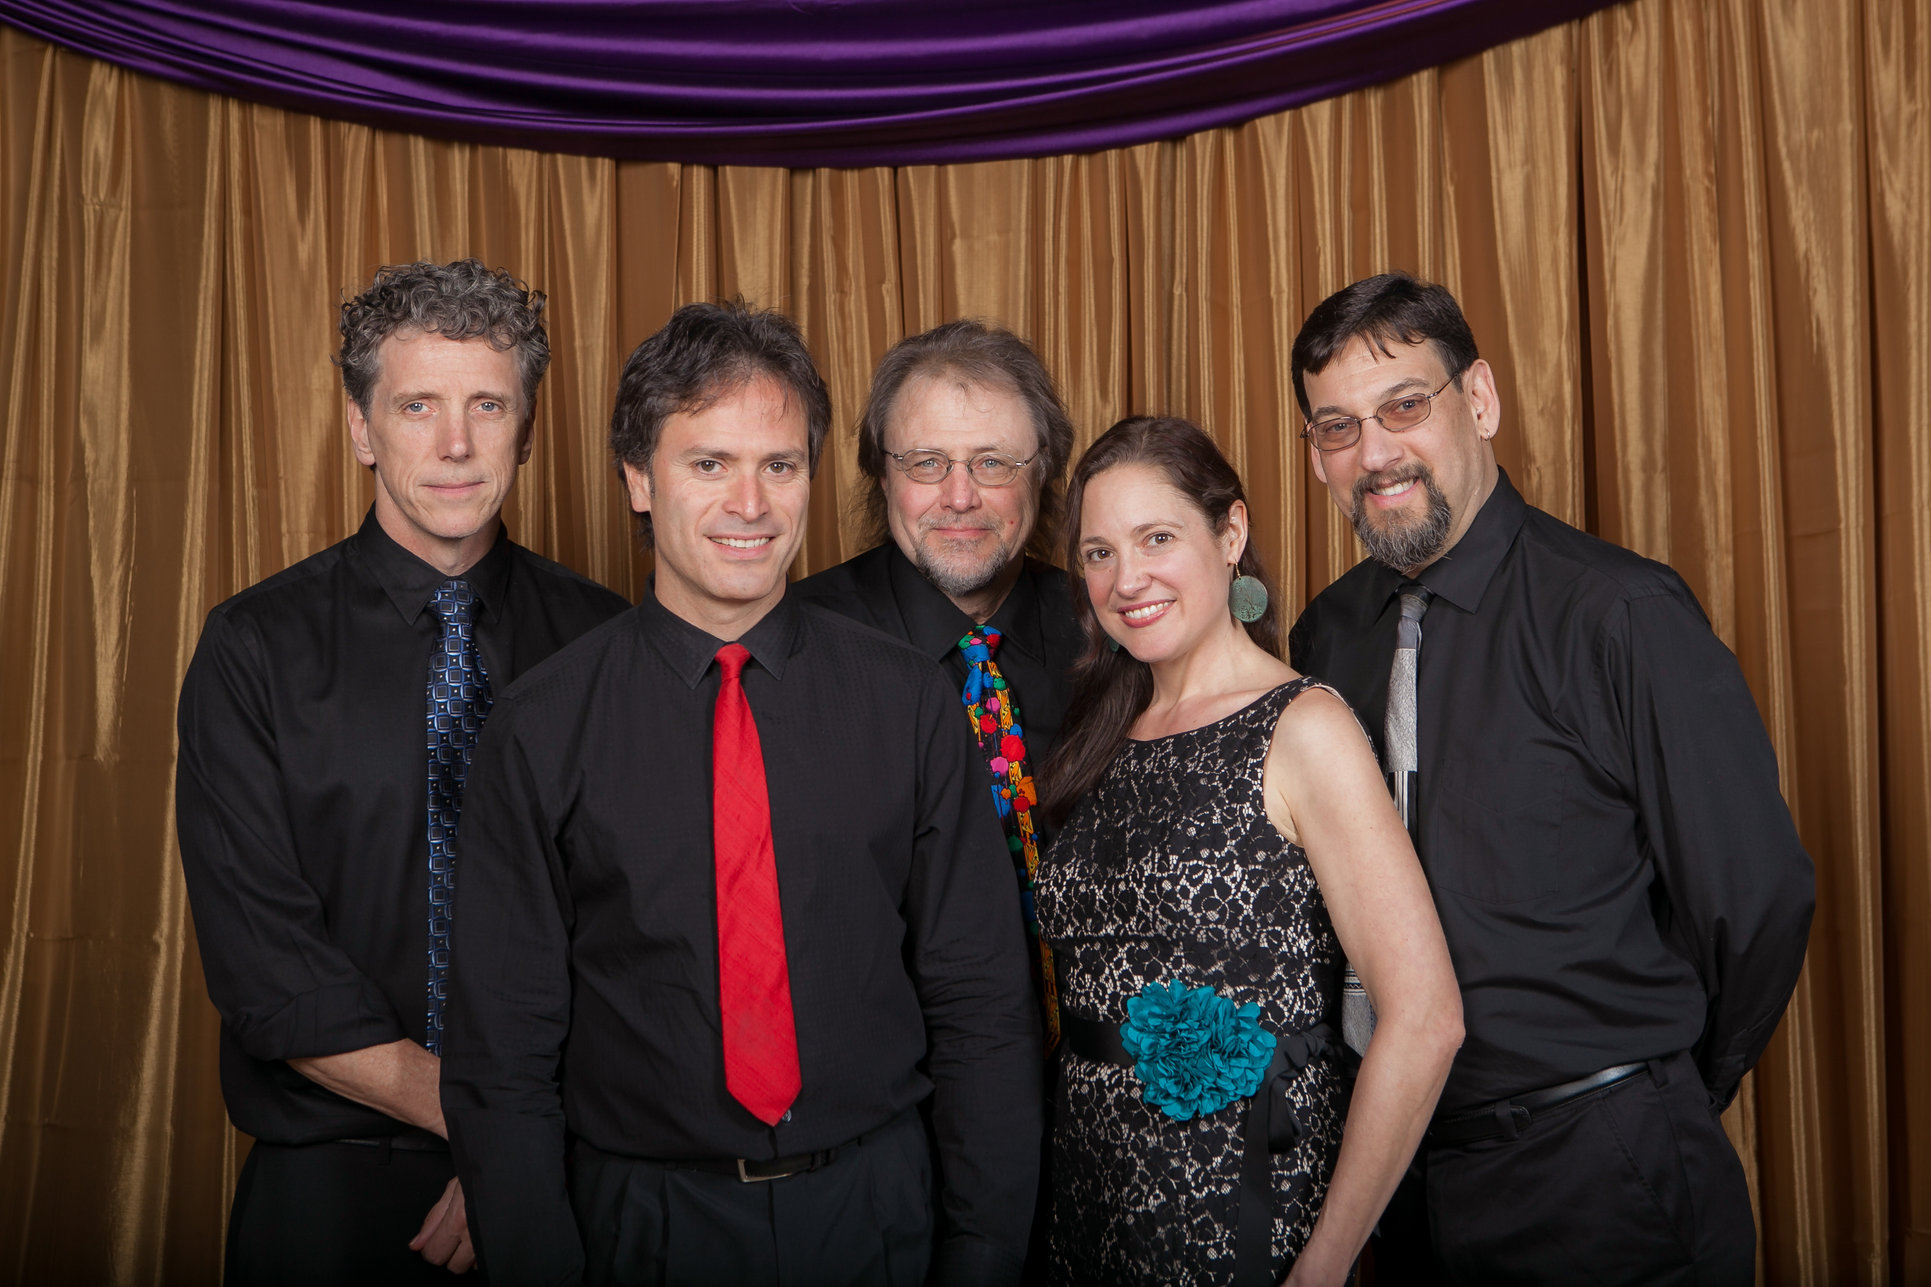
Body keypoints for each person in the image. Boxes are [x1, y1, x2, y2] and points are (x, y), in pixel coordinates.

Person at [441, 300, 1044, 1286]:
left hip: (877, 1208)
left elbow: (980, 1003)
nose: (750, 505)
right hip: (638, 1223)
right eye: (708, 464)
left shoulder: (907, 703)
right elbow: (501, 1059)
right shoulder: (542, 726)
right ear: (638, 479)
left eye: (778, 465)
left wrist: (979, 1256)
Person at [1286, 271, 1815, 1285]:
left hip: (1601, 1175)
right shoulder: (1325, 634)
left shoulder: (1620, 614)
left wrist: (1652, 1090)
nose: (1374, 453)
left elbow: (1752, 904)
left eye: (1404, 405)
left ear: (1477, 401)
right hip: (1396, 1186)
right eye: (1335, 427)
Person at [175, 259, 630, 1285]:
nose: (456, 444)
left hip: (573, 1174)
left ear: (525, 424)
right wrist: (491, 1125)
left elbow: (634, 938)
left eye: (487, 405)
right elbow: (270, 976)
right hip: (330, 1186)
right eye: (416, 405)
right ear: (360, 426)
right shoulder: (254, 649)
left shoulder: (607, 641)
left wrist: (522, 1154)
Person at [1034, 416, 1463, 1287]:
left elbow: (1424, 1018)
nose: (1127, 578)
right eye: (1098, 553)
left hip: (1238, 1201)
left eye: (1157, 537)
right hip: (1089, 1195)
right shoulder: (1101, 731)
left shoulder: (1304, 726)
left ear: (1229, 534)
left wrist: (1326, 1263)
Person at [792, 319, 1082, 1044]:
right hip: (889, 1086)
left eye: (992, 463)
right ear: (880, 473)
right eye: (926, 463)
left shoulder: (1110, 634)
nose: (959, 497)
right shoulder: (795, 647)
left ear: (1042, 471)